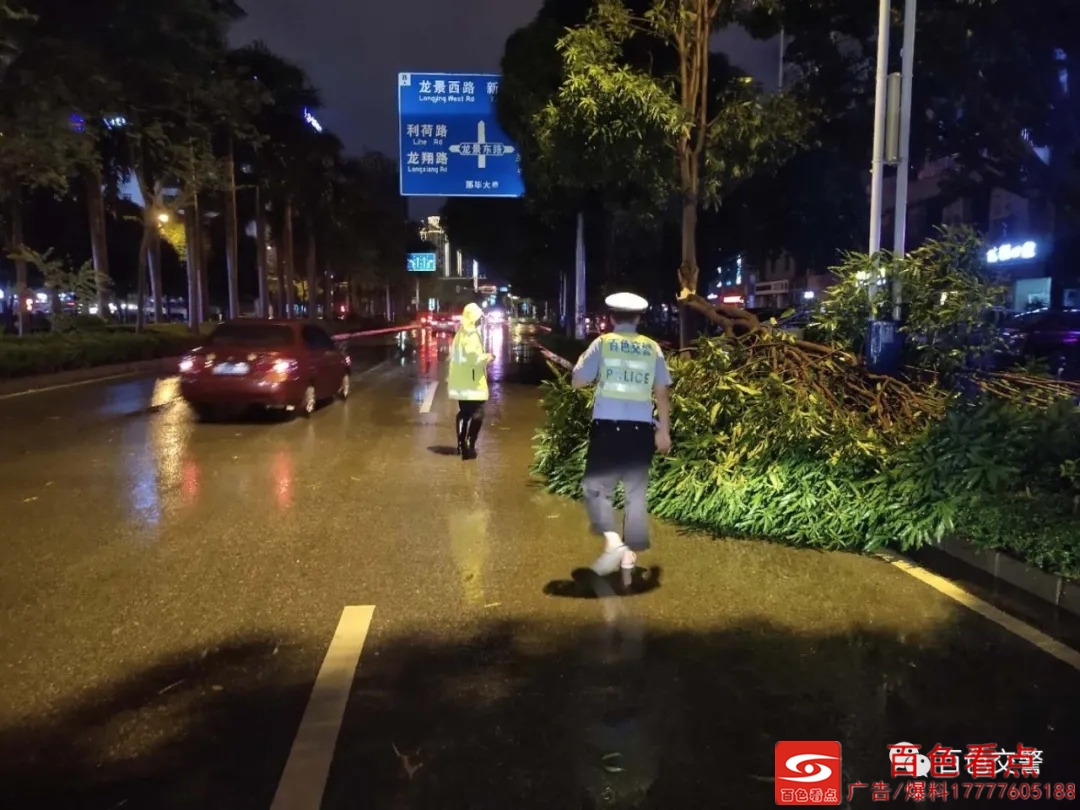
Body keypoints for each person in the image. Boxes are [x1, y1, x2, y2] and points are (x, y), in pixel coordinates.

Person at [572, 292, 672, 575]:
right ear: (639, 318)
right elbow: (662, 394)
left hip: (607, 428)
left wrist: (585, 365)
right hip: (641, 430)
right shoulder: (652, 348)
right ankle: (629, 556)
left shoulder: (602, 344)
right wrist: (664, 431)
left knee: (595, 488)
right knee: (636, 492)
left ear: (611, 318)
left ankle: (614, 542)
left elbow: (578, 381)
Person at [448, 302, 495, 460]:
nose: (481, 320)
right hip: (473, 381)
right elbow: (474, 359)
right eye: (479, 317)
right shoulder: (471, 335)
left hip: (461, 381)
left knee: (464, 413)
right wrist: (488, 357)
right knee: (478, 413)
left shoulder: (460, 333)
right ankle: (469, 443)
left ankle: (461, 444)